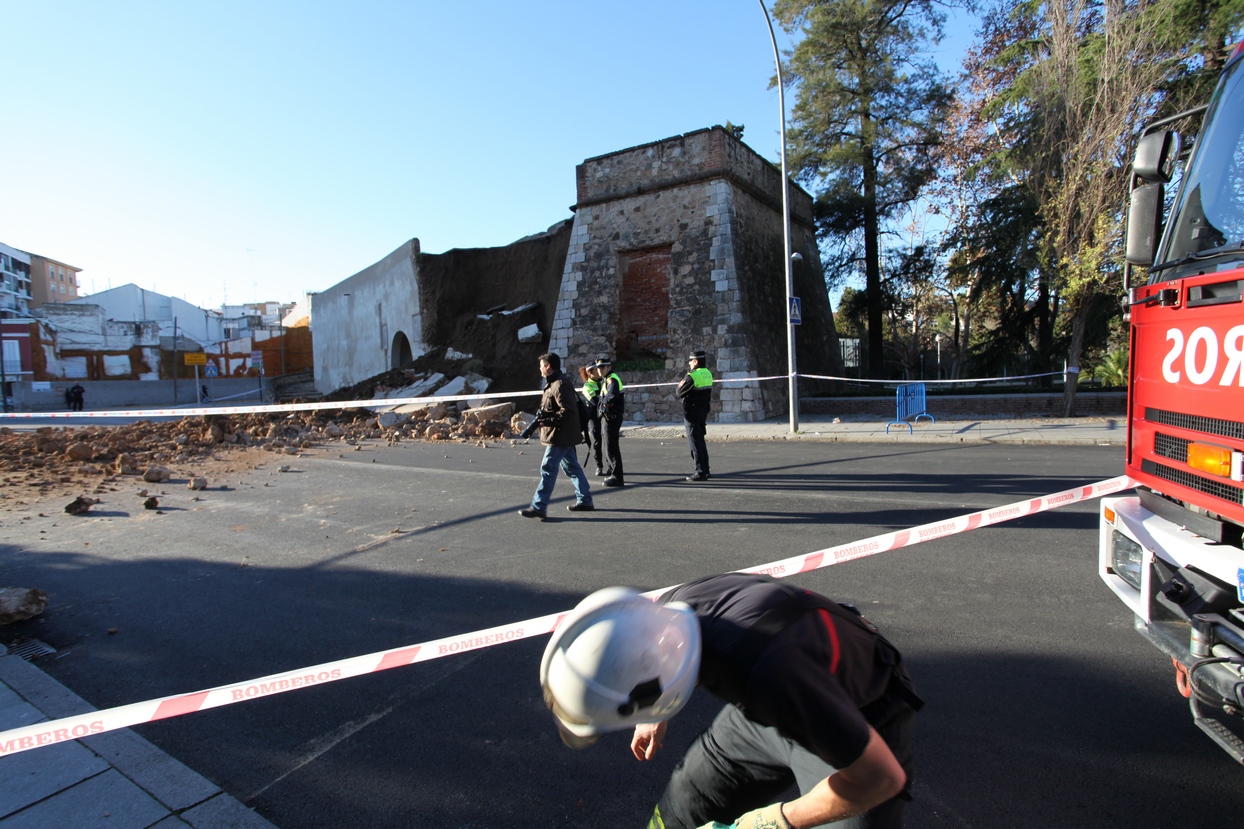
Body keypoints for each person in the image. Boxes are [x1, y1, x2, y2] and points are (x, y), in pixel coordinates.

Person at [541, 573, 921, 829]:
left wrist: (777, 820)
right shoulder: (672, 610)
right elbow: (648, 654)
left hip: (857, 718)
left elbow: (881, 778)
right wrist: (652, 712)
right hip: (767, 710)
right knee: (688, 800)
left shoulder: (768, 670)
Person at [519, 352, 594, 519]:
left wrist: (547, 421)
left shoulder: (559, 384)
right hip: (563, 434)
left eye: (541, 366)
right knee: (572, 468)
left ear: (548, 366)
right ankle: (585, 500)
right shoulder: (554, 383)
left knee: (548, 468)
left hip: (559, 435)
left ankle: (539, 506)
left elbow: (567, 411)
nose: (539, 369)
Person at [677, 350, 713, 481]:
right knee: (701, 441)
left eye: (691, 361)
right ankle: (706, 469)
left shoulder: (692, 375)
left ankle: (700, 471)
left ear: (696, 362)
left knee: (694, 443)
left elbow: (679, 391)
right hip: (703, 411)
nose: (689, 363)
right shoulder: (708, 373)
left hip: (692, 412)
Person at [595, 358, 625, 487]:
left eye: (602, 367)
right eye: (598, 367)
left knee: (611, 446)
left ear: (609, 367)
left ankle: (617, 477)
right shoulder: (607, 380)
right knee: (608, 446)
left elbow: (612, 395)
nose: (599, 370)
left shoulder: (612, 379)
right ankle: (613, 472)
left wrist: (604, 404)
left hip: (611, 417)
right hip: (608, 417)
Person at [578, 364, 604, 476]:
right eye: (596, 370)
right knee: (597, 441)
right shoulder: (587, 386)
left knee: (608, 442)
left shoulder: (603, 382)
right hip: (594, 416)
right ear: (590, 373)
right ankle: (599, 466)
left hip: (604, 414)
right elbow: (595, 402)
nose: (599, 371)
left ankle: (612, 466)